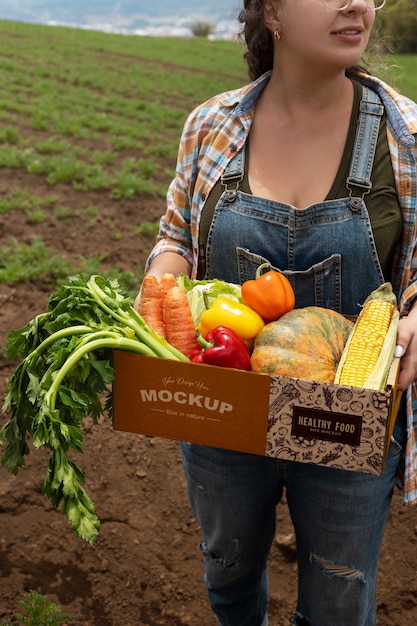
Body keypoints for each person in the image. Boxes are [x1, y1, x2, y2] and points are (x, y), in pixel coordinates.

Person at [141, 0, 417, 623]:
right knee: (229, 569)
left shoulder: (405, 136)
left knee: (340, 600)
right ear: (271, 13)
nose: (355, 3)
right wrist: (162, 282)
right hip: (223, 407)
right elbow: (177, 236)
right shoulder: (212, 124)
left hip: (346, 423)